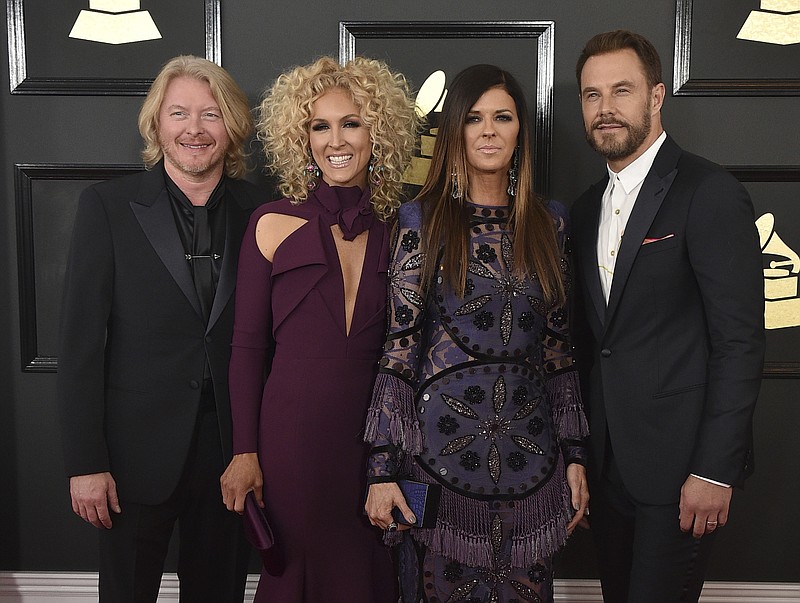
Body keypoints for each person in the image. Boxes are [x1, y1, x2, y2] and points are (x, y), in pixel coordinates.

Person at [364, 64, 590, 603]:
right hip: (436, 467)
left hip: (532, 471)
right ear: (454, 133)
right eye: (473, 118)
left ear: (520, 133)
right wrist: (379, 470)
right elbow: (399, 351)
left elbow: (558, 352)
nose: (488, 130)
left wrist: (577, 456)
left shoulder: (550, 221)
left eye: (503, 117)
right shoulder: (420, 220)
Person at [570, 30, 765, 602]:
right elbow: (592, 344)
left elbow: (740, 343)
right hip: (608, 471)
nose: (605, 109)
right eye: (591, 95)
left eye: (621, 91)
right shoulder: (584, 210)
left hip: (683, 473)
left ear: (656, 97)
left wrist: (714, 471)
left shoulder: (709, 192)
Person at [57, 55, 261, 602]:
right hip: (131, 458)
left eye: (211, 114)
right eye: (179, 113)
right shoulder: (107, 206)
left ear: (233, 126)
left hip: (232, 455)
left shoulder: (265, 211)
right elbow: (79, 346)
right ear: (157, 124)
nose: (194, 129)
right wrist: (86, 463)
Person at [219, 56, 418, 602]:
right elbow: (246, 347)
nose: (337, 139)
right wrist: (244, 451)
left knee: (370, 574)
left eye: (351, 122)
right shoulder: (270, 222)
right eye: (320, 125)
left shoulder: (406, 226)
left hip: (375, 441)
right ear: (300, 137)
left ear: (379, 130)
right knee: (295, 575)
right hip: (291, 438)